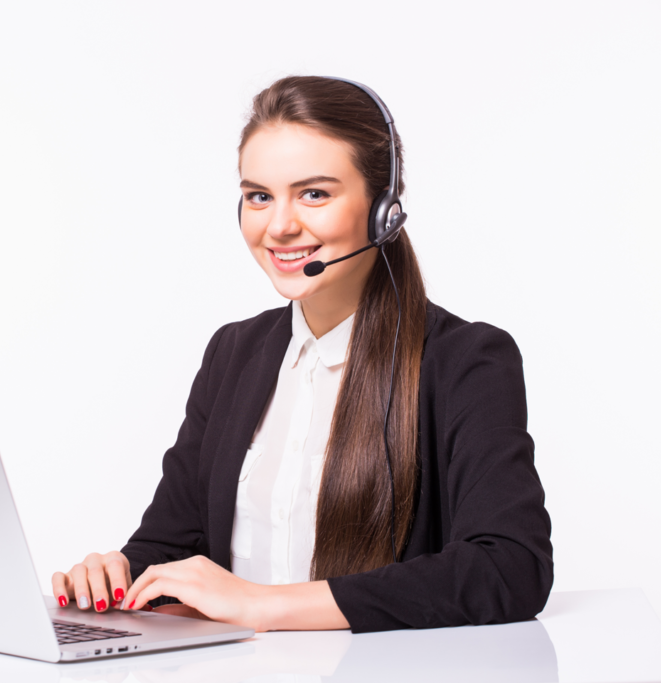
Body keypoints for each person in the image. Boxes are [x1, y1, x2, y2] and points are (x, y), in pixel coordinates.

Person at [50, 76, 553, 633]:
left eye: (314, 193)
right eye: (259, 196)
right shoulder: (233, 353)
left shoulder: (465, 361)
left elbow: (509, 568)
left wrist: (265, 605)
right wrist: (117, 572)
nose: (280, 226)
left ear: (384, 209)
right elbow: (172, 543)